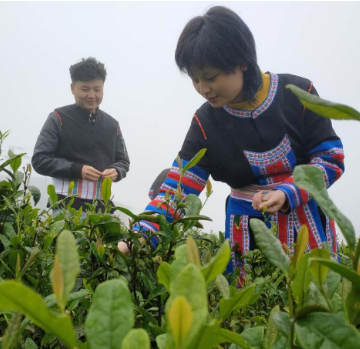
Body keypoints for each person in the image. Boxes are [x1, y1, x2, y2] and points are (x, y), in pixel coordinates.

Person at [120, 6, 344, 274]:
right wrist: (138, 237)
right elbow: (177, 188)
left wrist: (288, 192)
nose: (203, 89)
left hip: (307, 224)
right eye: (195, 79)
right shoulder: (205, 123)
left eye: (211, 77)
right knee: (247, 305)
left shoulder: (298, 94)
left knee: (314, 300)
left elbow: (331, 159)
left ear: (242, 62)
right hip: (245, 233)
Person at [32, 57, 130, 214]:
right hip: (65, 207)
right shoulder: (58, 118)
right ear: (72, 88)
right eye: (85, 89)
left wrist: (116, 171)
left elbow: (123, 161)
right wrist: (78, 170)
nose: (91, 95)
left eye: (97, 89)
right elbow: (39, 160)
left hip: (102, 210)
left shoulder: (113, 125)